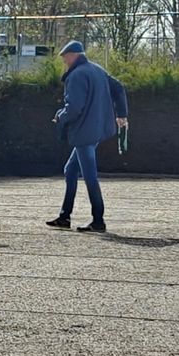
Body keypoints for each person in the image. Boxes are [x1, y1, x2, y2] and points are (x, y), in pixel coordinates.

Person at [48, 41, 113, 233]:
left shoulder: (76, 75)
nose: (64, 61)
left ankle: (98, 220)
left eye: (65, 57)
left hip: (84, 132)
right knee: (70, 170)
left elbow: (74, 108)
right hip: (95, 129)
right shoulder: (97, 70)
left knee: (90, 176)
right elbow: (116, 88)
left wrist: (60, 116)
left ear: (73, 55)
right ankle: (64, 216)